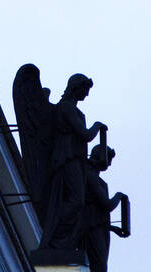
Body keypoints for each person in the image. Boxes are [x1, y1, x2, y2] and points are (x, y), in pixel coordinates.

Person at [40, 73, 106, 251]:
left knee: (78, 201)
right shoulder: (65, 108)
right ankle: (55, 237)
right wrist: (97, 126)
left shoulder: (73, 110)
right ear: (75, 87)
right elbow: (85, 135)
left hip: (75, 159)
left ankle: (62, 239)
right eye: (85, 89)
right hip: (66, 158)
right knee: (76, 200)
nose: (87, 94)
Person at [81, 145, 129, 272]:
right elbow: (107, 205)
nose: (109, 165)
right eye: (109, 160)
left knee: (100, 265)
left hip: (98, 228)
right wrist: (118, 196)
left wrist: (112, 228)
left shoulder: (95, 178)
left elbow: (98, 213)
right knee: (99, 266)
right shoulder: (90, 176)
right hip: (91, 229)